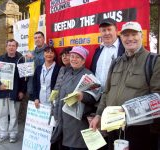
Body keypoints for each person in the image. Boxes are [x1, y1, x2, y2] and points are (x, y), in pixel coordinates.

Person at [90, 22, 160, 150]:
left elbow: (157, 97)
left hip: (138, 129)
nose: (130, 38)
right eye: (126, 35)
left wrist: (128, 110)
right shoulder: (116, 62)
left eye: (134, 34)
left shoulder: (154, 61)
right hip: (112, 126)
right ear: (121, 38)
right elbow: (107, 92)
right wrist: (99, 115)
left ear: (141, 36)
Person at [54, 46, 101, 150]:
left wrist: (83, 96)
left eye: (77, 57)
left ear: (83, 60)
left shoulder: (88, 75)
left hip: (77, 124)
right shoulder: (67, 73)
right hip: (64, 122)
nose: (73, 59)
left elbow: (95, 96)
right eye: (72, 56)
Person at [0, 39, 26, 143]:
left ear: (16, 47)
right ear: (6, 47)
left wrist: (22, 91)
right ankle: (3, 134)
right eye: (9, 45)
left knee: (14, 114)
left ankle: (13, 134)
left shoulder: (21, 60)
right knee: (2, 114)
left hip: (15, 92)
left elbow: (24, 78)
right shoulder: (0, 59)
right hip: (2, 92)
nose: (11, 47)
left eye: (13, 45)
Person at [90, 18, 125, 90]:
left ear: (116, 31)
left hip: (116, 95)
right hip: (97, 96)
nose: (106, 33)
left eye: (109, 29)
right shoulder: (98, 50)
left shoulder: (125, 48)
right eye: (103, 30)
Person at [26, 31, 48, 100]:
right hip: (32, 87)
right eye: (35, 38)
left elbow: (45, 65)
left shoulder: (48, 51)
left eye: (39, 37)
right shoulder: (31, 52)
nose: (37, 39)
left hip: (44, 88)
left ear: (44, 39)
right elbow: (28, 71)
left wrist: (33, 58)